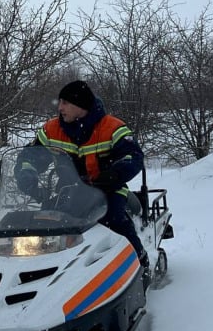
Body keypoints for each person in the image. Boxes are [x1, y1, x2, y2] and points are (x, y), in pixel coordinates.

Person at [16, 80, 148, 270]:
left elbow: (133, 155)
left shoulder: (111, 127)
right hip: (67, 192)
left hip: (107, 190)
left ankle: (140, 262)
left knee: (114, 220)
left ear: (81, 106)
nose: (60, 107)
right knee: (46, 228)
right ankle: (48, 272)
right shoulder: (52, 130)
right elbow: (31, 155)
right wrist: (27, 172)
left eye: (65, 103)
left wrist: (115, 173)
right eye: (60, 102)